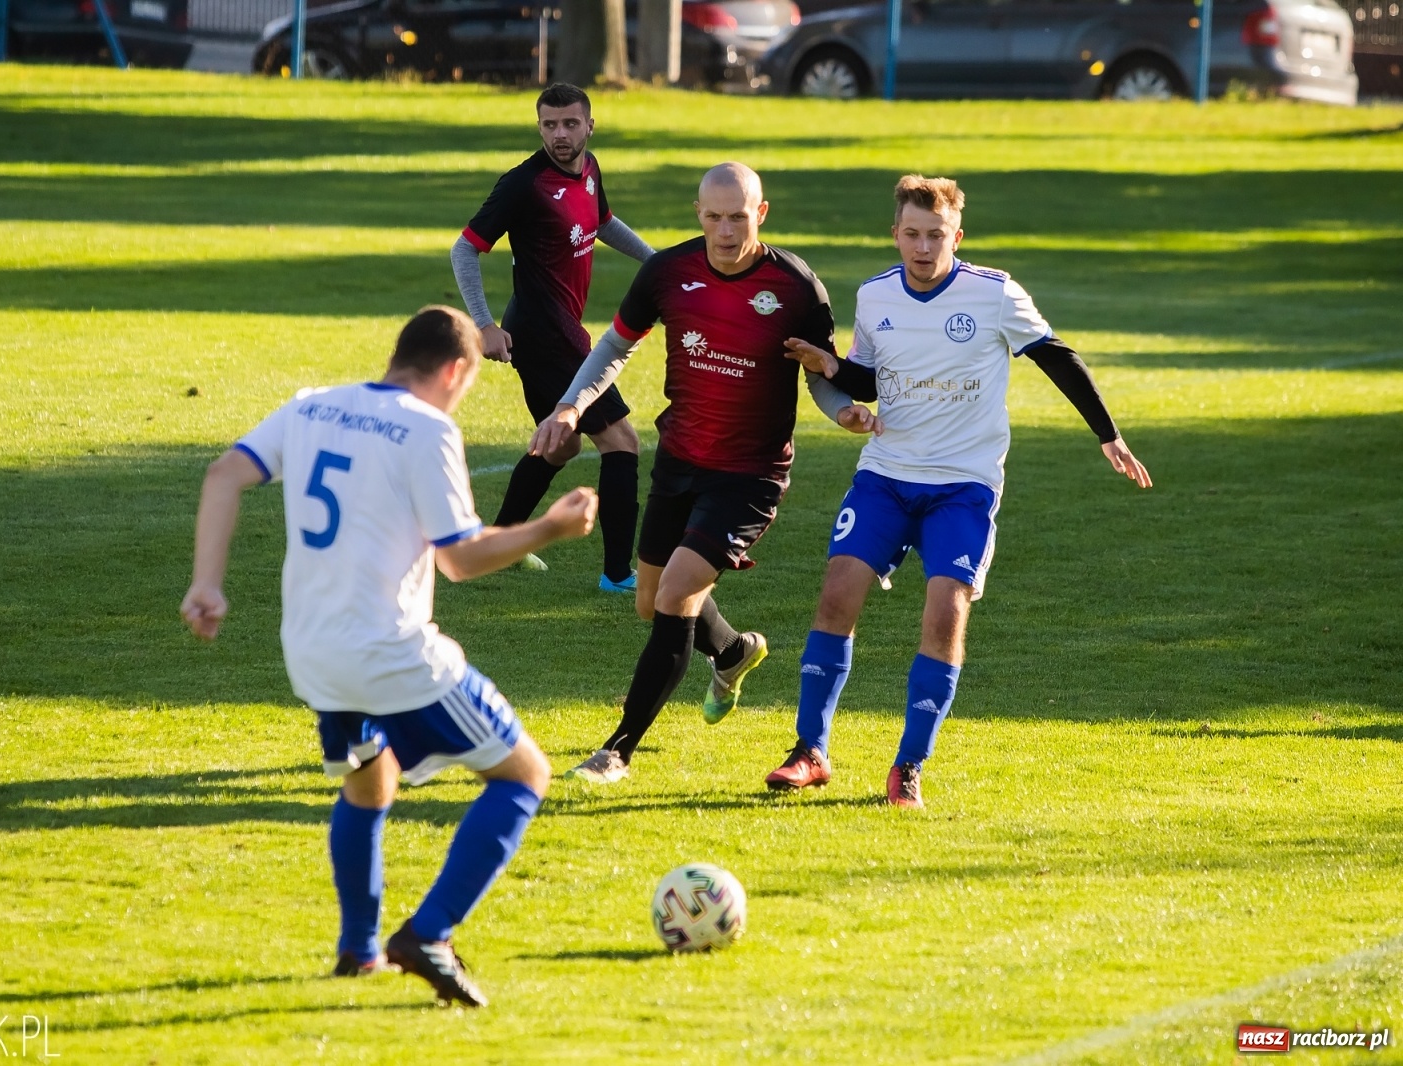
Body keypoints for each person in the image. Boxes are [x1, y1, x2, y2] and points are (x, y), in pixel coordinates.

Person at [179, 306, 597, 1007]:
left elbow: (224, 475)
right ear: (456, 371)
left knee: (370, 783)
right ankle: (429, 933)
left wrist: (206, 583)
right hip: (389, 652)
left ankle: (359, 950)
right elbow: (460, 559)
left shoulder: (314, 406)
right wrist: (548, 528)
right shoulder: (427, 427)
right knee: (525, 774)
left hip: (311, 652)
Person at [764, 175, 1153, 808]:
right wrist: (832, 368)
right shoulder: (874, 296)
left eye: (936, 236)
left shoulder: (994, 294)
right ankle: (810, 751)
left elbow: (1056, 355)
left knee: (946, 615)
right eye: (912, 235)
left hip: (963, 488)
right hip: (886, 475)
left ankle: (908, 766)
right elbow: (867, 378)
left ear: (957, 236)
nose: (923, 247)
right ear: (895, 234)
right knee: (837, 596)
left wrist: (1107, 434)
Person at [530, 162, 880, 784]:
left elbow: (818, 376)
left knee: (672, 597)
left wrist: (844, 411)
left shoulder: (796, 287)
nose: (725, 230)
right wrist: (570, 404)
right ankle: (732, 650)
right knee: (650, 602)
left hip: (750, 475)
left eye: (738, 216)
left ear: (761, 213)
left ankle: (617, 750)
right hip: (680, 459)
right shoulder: (666, 272)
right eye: (714, 216)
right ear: (698, 213)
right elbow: (614, 345)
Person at [451, 82, 655, 591]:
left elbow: (602, 222)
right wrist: (484, 325)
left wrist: (657, 263)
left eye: (569, 123)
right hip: (544, 334)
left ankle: (497, 543)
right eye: (549, 124)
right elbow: (464, 249)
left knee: (559, 445)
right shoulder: (523, 183)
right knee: (622, 441)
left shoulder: (589, 170)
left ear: (589, 125)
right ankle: (617, 575)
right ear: (538, 126)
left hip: (557, 329)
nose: (559, 134)